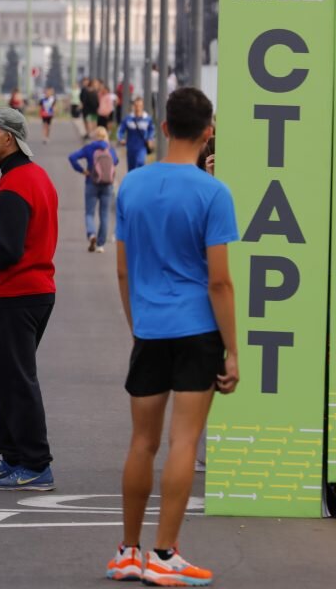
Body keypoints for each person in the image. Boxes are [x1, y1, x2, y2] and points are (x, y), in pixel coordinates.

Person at [105, 88, 238, 586]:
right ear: (208, 134)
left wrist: (138, 324)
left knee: (142, 442)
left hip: (150, 328)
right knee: (184, 441)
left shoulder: (133, 185)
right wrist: (234, 352)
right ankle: (164, 553)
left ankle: (127, 551)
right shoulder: (213, 192)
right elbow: (219, 281)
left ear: (163, 129)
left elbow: (122, 272)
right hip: (198, 330)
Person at [0, 108, 58, 491]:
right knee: (6, 375)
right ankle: (13, 456)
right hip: (34, 291)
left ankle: (35, 463)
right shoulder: (34, 177)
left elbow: (10, 252)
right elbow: (22, 239)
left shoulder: (16, 184)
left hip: (18, 292)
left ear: (9, 137)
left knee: (17, 378)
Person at [68, 127, 120, 253]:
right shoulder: (109, 149)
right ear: (105, 136)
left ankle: (91, 234)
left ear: (95, 136)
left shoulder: (89, 148)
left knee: (90, 213)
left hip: (91, 182)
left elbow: (72, 157)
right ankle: (100, 245)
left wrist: (82, 170)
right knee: (104, 214)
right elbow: (116, 161)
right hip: (107, 184)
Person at [118, 97, 155, 173]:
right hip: (130, 148)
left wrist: (150, 138)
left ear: (142, 106)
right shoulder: (128, 119)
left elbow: (151, 130)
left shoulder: (147, 118)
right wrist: (121, 139)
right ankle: (132, 183)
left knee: (140, 163)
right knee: (131, 170)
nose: (138, 108)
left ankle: (140, 182)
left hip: (142, 147)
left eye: (140, 106)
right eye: (136, 105)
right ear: (133, 106)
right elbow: (120, 130)